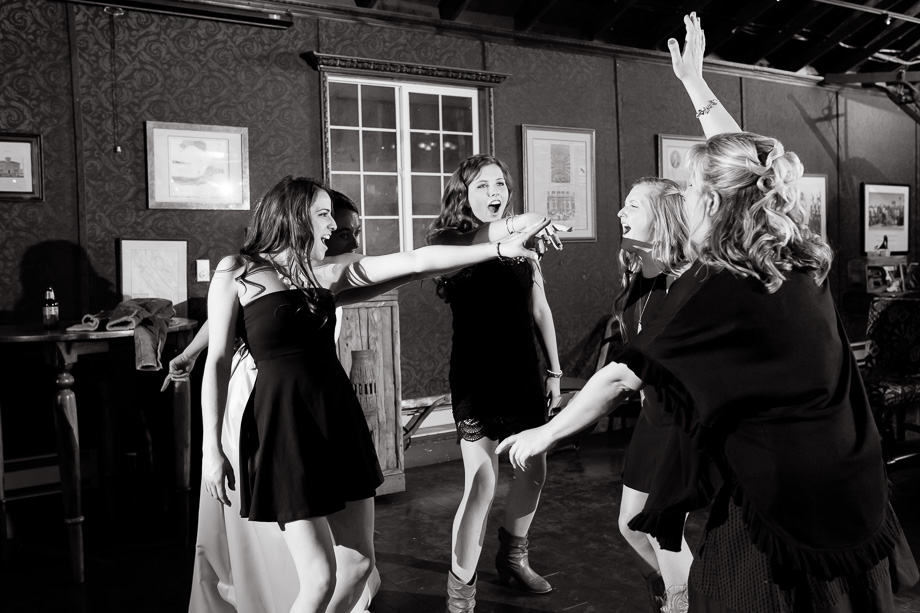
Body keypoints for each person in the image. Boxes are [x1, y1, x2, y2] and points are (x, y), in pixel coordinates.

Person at [497, 13, 918, 613]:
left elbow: (619, 378)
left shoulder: (716, 286)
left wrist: (544, 434)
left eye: (692, 191)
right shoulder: (794, 251)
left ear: (714, 202)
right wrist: (695, 84)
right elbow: (749, 166)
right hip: (853, 482)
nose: (686, 199)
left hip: (786, 506)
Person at [200, 175, 549, 613]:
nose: (333, 226)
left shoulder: (327, 272)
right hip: (283, 425)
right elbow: (216, 361)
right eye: (323, 214)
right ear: (293, 216)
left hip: (336, 418)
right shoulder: (237, 270)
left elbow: (417, 260)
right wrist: (212, 449)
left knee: (358, 566)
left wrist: (498, 248)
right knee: (319, 578)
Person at [178, 190, 384, 613]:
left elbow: (411, 266)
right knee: (303, 559)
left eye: (350, 230)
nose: (343, 234)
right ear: (299, 219)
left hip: (323, 406)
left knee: (348, 562)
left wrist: (486, 247)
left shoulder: (330, 272)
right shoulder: (247, 271)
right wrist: (190, 354)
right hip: (269, 402)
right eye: (334, 222)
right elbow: (222, 330)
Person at [427, 153, 567, 612]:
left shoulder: (525, 244)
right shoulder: (448, 239)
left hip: (522, 371)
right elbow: (483, 239)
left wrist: (554, 371)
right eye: (483, 186)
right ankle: (460, 593)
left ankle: (513, 557)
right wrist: (522, 226)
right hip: (477, 376)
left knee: (535, 470)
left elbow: (539, 308)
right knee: (482, 483)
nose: (494, 193)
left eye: (500, 185)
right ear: (463, 193)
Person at [615, 177, 694, 612]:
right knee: (631, 525)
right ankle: (677, 596)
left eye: (633, 206)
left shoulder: (685, 283)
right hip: (652, 418)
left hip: (681, 423)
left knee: (664, 532)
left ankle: (681, 604)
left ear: (662, 217)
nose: (621, 213)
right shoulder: (637, 277)